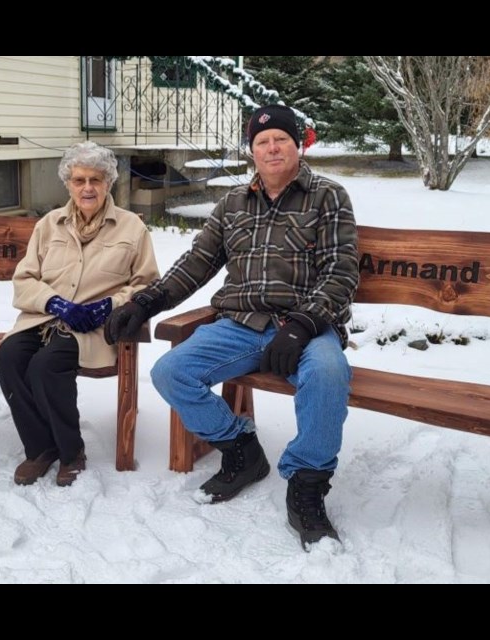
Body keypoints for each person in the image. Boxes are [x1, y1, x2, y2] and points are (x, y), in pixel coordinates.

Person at [105, 104, 359, 549]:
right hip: (241, 324)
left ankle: (307, 485)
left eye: (281, 138)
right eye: (262, 141)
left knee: (327, 373)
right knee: (172, 371)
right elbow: (197, 264)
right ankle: (241, 451)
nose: (272, 147)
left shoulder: (328, 196)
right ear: (252, 152)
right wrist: (147, 301)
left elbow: (341, 272)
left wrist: (301, 324)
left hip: (307, 325)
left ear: (297, 145)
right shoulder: (233, 204)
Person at [0, 141, 160, 488]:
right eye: (79, 180)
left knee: (45, 367)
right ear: (68, 183)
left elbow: (147, 284)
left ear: (108, 183)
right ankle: (40, 448)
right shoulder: (48, 225)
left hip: (92, 327)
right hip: (44, 318)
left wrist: (109, 305)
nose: (87, 188)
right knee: (8, 357)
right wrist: (55, 303)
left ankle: (71, 452)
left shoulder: (131, 228)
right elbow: (24, 278)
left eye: (95, 180)